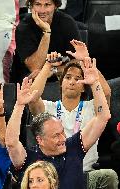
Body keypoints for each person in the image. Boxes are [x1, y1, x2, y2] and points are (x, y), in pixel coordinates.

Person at [5, 57, 112, 188]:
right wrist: (19, 105)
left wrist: (95, 82)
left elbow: (103, 116)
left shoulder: (73, 147)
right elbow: (11, 143)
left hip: (88, 170)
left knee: (109, 175)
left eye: (62, 132)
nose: (63, 138)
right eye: (56, 135)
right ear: (40, 140)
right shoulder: (30, 158)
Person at [28, 46, 118, 188]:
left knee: (109, 176)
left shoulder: (91, 107)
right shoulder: (48, 108)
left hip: (86, 172)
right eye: (68, 77)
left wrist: (86, 62)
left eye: (78, 78)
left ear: (83, 86)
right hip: (55, 174)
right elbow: (32, 98)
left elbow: (106, 93)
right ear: (61, 82)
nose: (71, 82)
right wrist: (47, 66)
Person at [15, 0, 81, 79]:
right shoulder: (24, 27)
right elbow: (35, 67)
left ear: (55, 6)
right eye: (38, 4)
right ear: (31, 6)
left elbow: (78, 61)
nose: (42, 10)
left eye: (47, 5)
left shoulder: (67, 22)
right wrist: (46, 33)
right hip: (30, 78)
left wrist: (53, 70)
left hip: (61, 75)